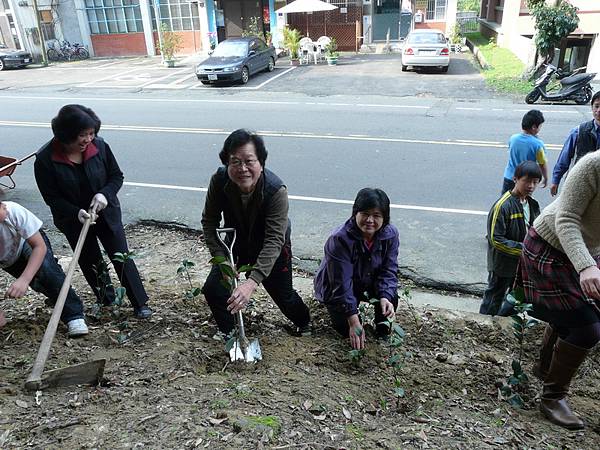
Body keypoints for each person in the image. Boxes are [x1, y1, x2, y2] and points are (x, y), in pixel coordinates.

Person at [34, 104, 152, 319]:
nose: (88, 139)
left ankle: (139, 302)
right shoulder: (45, 159)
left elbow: (116, 176)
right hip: (74, 220)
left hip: (106, 213)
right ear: (66, 134)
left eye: (91, 133)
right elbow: (51, 197)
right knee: (90, 260)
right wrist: (75, 212)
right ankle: (106, 299)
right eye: (82, 135)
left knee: (121, 256)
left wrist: (104, 194)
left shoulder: (100, 146)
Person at [516, 151, 600, 430]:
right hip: (549, 245)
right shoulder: (593, 165)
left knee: (572, 316)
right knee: (587, 328)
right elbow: (566, 218)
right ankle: (553, 398)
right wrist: (586, 266)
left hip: (587, 251)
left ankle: (544, 368)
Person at [201, 129, 311, 336]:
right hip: (235, 244)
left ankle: (304, 323)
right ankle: (230, 332)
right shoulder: (219, 181)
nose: (242, 168)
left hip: (271, 247)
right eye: (235, 162)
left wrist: (252, 282)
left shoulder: (275, 190)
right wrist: (221, 259)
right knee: (214, 288)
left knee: (283, 295)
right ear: (227, 163)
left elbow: (274, 239)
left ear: (261, 163)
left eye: (249, 161)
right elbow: (209, 222)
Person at [314, 188, 399, 350]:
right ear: (355, 213)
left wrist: (385, 296)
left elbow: (389, 269)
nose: (370, 220)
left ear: (385, 218)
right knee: (346, 330)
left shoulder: (390, 235)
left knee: (391, 299)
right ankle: (350, 317)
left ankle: (381, 332)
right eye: (365, 214)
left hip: (367, 280)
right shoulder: (339, 239)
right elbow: (341, 284)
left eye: (376, 215)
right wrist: (353, 320)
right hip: (337, 288)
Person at [0, 200, 88, 336]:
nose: (4, 208)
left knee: (47, 270)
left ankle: (74, 315)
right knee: (38, 283)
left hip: (28, 243)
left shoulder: (13, 211)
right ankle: (55, 293)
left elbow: (39, 246)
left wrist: (23, 279)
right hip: (8, 260)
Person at [480, 161, 541, 316]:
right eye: (526, 181)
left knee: (517, 297)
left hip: (521, 264)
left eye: (535, 182)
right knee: (494, 296)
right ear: (515, 179)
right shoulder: (503, 206)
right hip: (502, 264)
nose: (531, 186)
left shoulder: (532, 204)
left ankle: (502, 322)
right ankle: (484, 324)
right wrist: (525, 249)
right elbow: (496, 239)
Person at [550, 91, 600, 196]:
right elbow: (564, 157)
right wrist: (556, 180)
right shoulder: (579, 131)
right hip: (579, 182)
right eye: (596, 106)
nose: (599, 110)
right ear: (592, 108)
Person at [502, 109, 548, 193]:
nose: (540, 128)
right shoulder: (537, 144)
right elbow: (542, 164)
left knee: (506, 201)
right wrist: (545, 178)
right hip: (525, 181)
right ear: (534, 127)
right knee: (522, 202)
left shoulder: (513, 138)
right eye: (540, 126)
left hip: (509, 177)